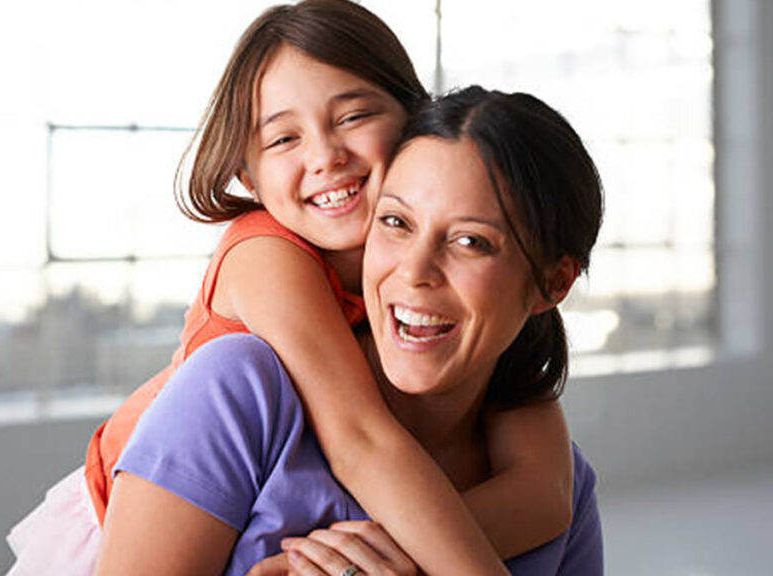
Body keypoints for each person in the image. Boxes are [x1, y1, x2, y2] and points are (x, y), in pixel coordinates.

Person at [6, 2, 572, 573]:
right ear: (247, 175)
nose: (325, 157)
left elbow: (547, 496)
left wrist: (385, 561)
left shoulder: (451, 305)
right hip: (123, 523)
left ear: (414, 121)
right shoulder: (266, 255)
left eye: (352, 117)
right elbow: (360, 440)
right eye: (282, 139)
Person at [96, 85, 605, 575]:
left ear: (552, 284)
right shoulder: (239, 389)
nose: (414, 271)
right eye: (396, 223)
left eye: (471, 241)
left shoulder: (556, 485)